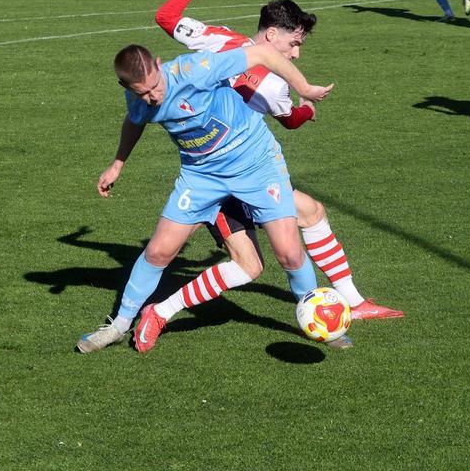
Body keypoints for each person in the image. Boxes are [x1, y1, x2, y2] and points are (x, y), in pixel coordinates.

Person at [135, 0, 403, 344]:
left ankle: (350, 302)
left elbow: (167, 18)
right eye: (294, 44)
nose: (296, 53)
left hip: (251, 169)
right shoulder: (228, 48)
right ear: (272, 34)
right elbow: (292, 121)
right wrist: (308, 109)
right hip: (213, 174)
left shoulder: (235, 51)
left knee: (308, 216)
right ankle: (159, 312)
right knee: (249, 264)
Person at [76, 40, 335, 354]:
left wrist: (304, 87)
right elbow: (134, 120)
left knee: (290, 255)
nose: (153, 96)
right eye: (143, 92)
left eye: (155, 87)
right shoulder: (137, 98)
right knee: (159, 252)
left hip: (256, 163)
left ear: (159, 65)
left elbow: (263, 53)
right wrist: (118, 164)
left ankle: (319, 322)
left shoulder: (194, 71)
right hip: (201, 176)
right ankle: (118, 325)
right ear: (126, 86)